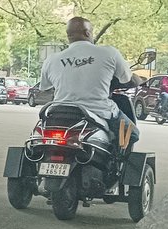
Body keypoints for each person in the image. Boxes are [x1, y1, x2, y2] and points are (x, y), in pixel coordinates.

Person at [38, 16, 136, 148]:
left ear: (68, 35)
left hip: (59, 112)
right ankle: (115, 165)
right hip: (99, 111)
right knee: (133, 133)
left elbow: (44, 86)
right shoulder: (109, 53)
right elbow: (126, 78)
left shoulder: (52, 59)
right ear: (88, 33)